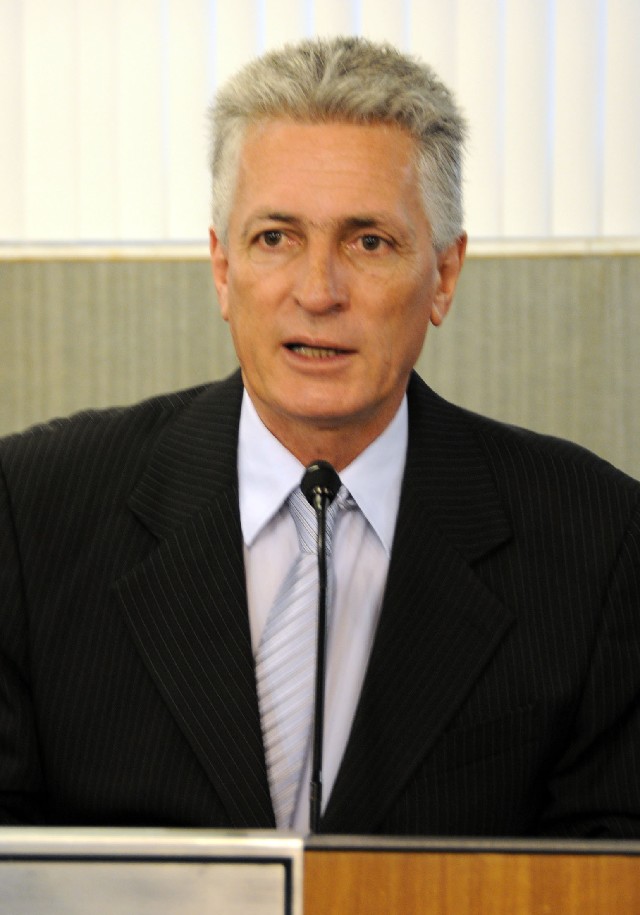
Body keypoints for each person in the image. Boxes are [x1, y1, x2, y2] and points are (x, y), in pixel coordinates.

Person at [1, 36, 639, 838]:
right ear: (222, 269)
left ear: (444, 276)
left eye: (369, 242)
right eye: (276, 237)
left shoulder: (599, 540)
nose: (318, 291)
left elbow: (605, 872)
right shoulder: (33, 511)